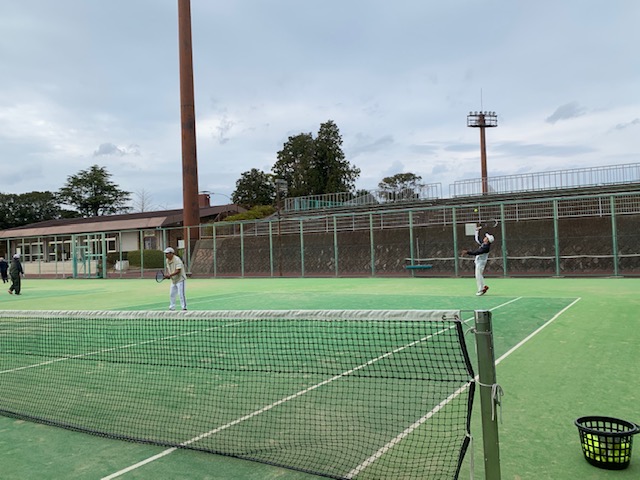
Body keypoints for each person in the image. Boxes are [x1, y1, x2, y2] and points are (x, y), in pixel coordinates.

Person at [463, 226, 495, 296]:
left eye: (486, 237)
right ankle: (484, 287)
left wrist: (467, 252)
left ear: (487, 240)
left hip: (481, 264)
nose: (485, 237)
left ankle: (480, 290)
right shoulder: (484, 244)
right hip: (479, 262)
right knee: (479, 275)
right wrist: (476, 231)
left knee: (478, 276)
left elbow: (476, 252)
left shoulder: (485, 248)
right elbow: (477, 239)